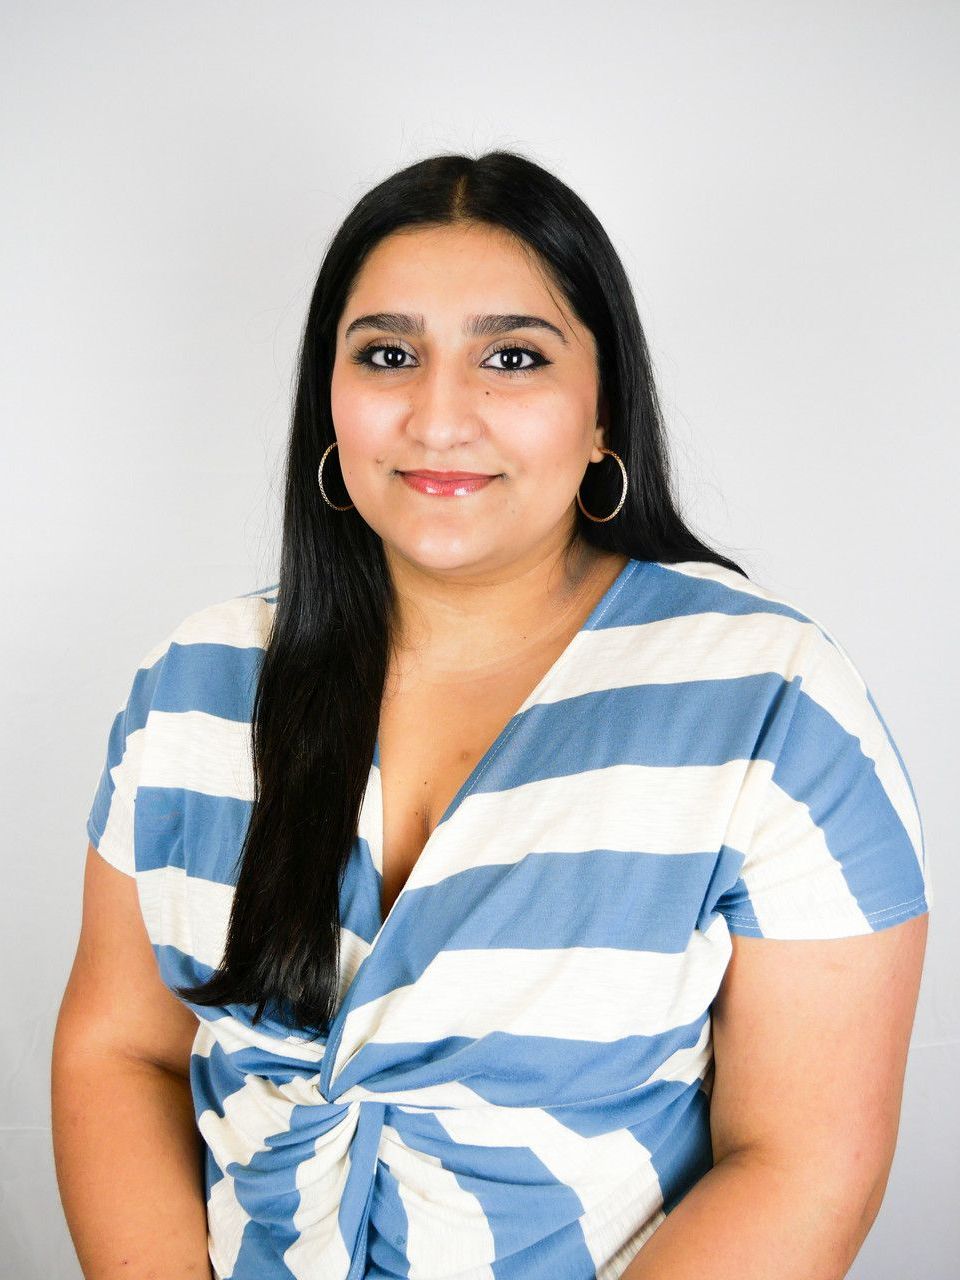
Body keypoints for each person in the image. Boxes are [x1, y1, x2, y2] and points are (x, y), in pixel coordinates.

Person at [52, 151, 931, 1280]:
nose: (439, 414)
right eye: (388, 354)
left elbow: (802, 1162)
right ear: (329, 398)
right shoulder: (196, 678)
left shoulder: (774, 699)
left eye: (512, 356)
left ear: (604, 410)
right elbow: (118, 1049)